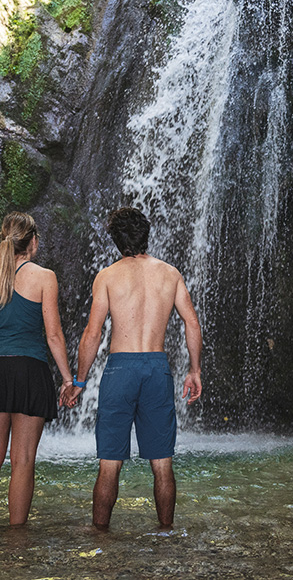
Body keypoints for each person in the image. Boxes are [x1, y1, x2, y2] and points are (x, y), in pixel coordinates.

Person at [63, 207, 202, 531]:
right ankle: (166, 532)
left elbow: (92, 333)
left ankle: (100, 537)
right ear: (146, 235)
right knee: (162, 464)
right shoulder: (170, 273)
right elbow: (191, 323)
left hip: (120, 370)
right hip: (157, 368)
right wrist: (194, 370)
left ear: (115, 240)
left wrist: (79, 381)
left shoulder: (108, 276)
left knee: (109, 464)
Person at [0, 211, 74, 526]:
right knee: (23, 461)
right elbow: (53, 335)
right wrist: (68, 378)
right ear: (34, 242)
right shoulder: (44, 277)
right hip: (30, 370)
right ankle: (16, 540)